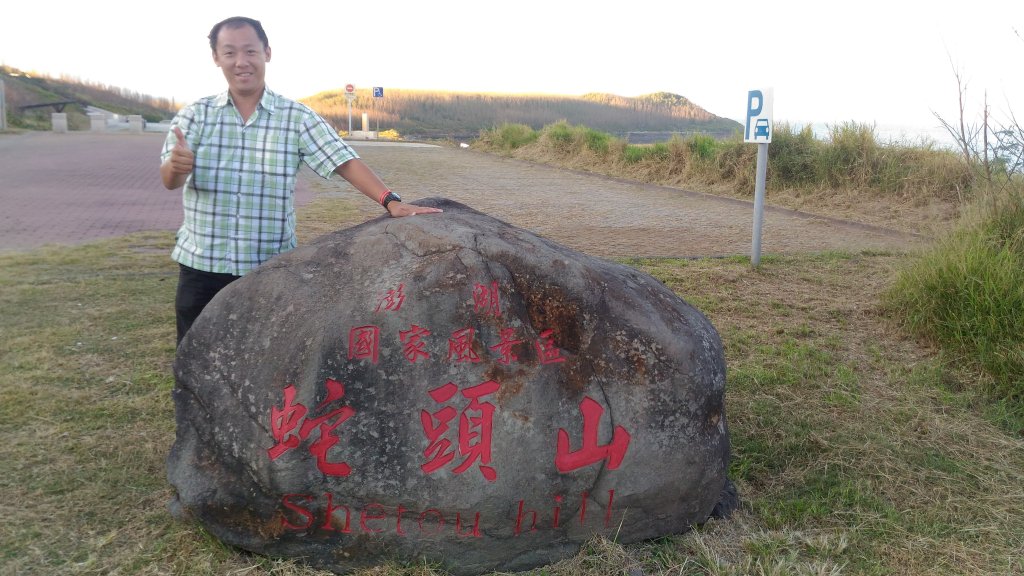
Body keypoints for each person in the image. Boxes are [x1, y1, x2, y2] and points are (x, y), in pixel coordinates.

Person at [161, 16, 441, 346]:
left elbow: (343, 161)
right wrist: (177, 167)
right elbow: (170, 180)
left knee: (266, 357)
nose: (241, 62)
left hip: (267, 267)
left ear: (266, 52)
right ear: (216, 58)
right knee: (196, 355)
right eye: (230, 52)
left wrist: (390, 201)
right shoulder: (195, 115)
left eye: (250, 51)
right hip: (202, 265)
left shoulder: (296, 117)